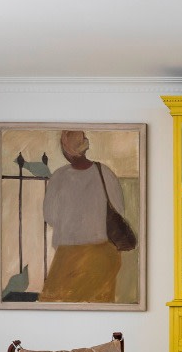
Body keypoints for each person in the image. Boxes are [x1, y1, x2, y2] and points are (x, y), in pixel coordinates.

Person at [40, 129, 127, 302]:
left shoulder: (59, 177)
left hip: (68, 256)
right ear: (85, 146)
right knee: (100, 309)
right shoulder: (105, 173)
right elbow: (119, 210)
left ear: (65, 149)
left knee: (56, 305)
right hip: (103, 254)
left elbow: (50, 215)